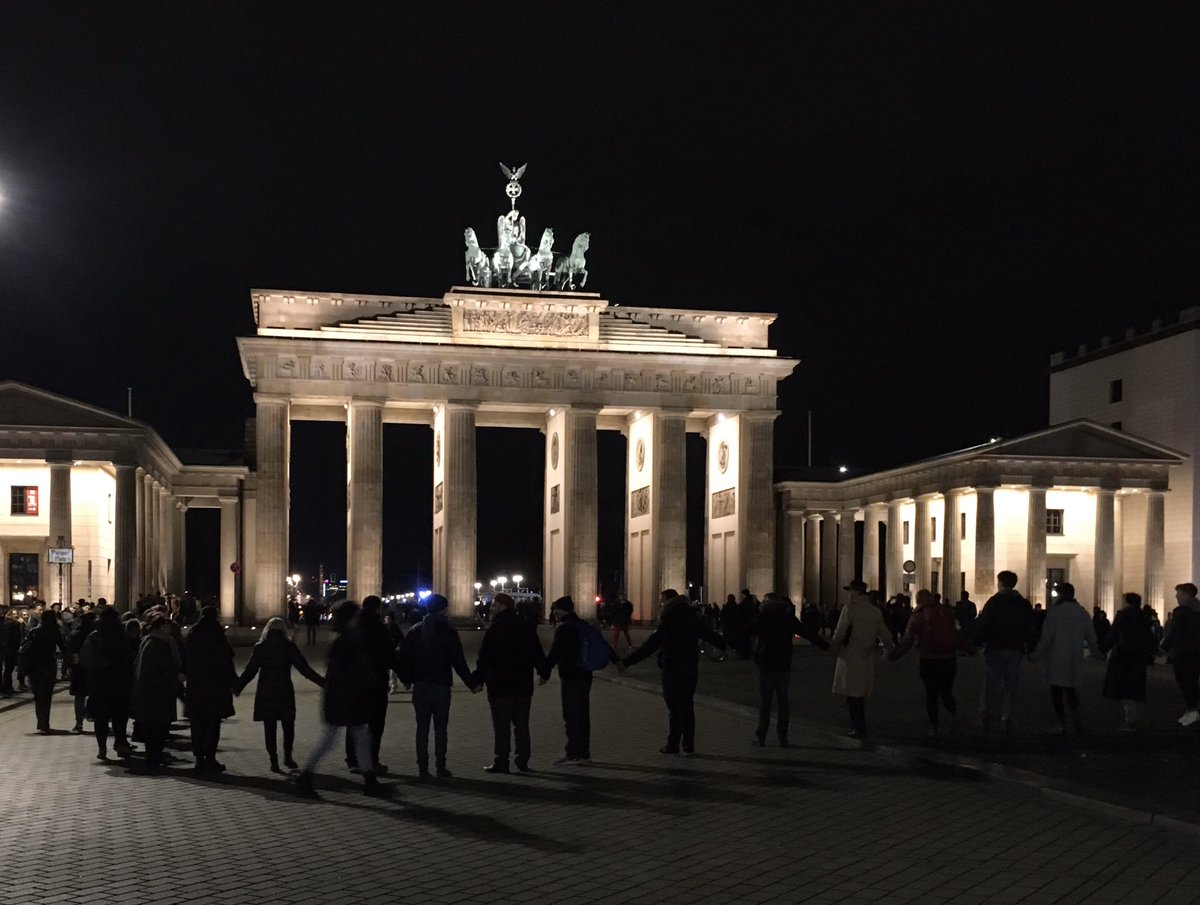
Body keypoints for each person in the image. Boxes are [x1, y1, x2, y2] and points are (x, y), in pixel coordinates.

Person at [296, 600, 385, 796]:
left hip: (340, 697)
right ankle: (307, 775)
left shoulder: (341, 639)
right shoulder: (349, 640)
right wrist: (368, 681)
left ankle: (368, 779)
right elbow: (353, 670)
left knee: (347, 738)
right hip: (348, 698)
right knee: (346, 738)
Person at [623, 594, 726, 756]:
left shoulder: (669, 619)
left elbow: (651, 645)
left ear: (668, 602)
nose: (660, 603)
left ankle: (673, 744)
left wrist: (628, 662)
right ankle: (688, 744)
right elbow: (711, 636)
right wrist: (732, 644)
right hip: (690, 666)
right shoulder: (693, 617)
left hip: (672, 667)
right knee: (687, 705)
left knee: (674, 708)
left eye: (662, 600)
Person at [735, 593, 829, 747]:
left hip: (766, 664)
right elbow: (807, 633)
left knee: (765, 702)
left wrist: (726, 642)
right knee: (783, 702)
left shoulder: (763, 617)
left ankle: (761, 736)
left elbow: (746, 632)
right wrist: (826, 646)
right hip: (784, 663)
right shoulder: (787, 617)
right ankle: (782, 736)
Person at [400, 593, 477, 779]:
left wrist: (406, 679)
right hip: (441, 685)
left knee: (422, 728)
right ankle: (441, 766)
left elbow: (404, 658)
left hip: (421, 685)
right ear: (444, 609)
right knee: (441, 728)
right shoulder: (449, 631)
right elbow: (458, 662)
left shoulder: (415, 630)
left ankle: (423, 768)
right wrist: (472, 684)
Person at [235, 616, 325, 772]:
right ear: (283, 630)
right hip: (284, 690)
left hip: (266, 691)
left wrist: (238, 687)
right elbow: (304, 669)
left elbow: (250, 671)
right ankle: (288, 757)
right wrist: (323, 683)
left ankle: (273, 760)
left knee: (269, 728)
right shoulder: (289, 647)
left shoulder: (260, 647)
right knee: (288, 726)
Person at [539, 596, 621, 765]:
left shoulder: (565, 629)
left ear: (561, 610)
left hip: (571, 676)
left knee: (571, 715)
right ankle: (584, 752)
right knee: (582, 715)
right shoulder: (583, 625)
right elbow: (603, 644)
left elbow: (555, 653)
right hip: (585, 675)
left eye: (555, 609)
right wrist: (617, 661)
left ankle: (573, 754)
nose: (554, 613)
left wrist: (544, 672)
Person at [472, 592, 545, 773]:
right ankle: (523, 760)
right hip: (522, 684)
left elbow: (485, 658)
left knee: (501, 725)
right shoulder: (526, 626)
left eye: (495, 605)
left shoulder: (495, 628)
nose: (491, 608)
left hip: (500, 684)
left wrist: (477, 680)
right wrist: (543, 671)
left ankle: (501, 761)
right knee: (522, 724)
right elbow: (537, 651)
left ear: (504, 607)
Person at [888, 589, 960, 736]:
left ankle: (934, 726)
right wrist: (970, 649)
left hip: (929, 659)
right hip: (948, 658)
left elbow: (908, 641)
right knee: (946, 690)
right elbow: (956, 634)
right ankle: (952, 718)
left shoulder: (917, 616)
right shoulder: (946, 612)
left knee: (931, 693)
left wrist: (894, 655)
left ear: (918, 600)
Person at [1030, 583, 1100, 734]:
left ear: (1061, 594)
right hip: (1074, 657)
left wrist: (1036, 654)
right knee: (1071, 691)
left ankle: (1061, 723)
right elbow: (1091, 636)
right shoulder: (1082, 613)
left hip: (1055, 657)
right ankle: (1077, 721)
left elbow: (1047, 637)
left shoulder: (1055, 613)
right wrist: (1096, 652)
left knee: (1057, 692)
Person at [973, 570, 1035, 733]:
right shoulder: (1023, 603)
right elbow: (1030, 627)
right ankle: (1007, 715)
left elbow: (984, 624)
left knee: (990, 683)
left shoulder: (994, 602)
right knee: (1011, 684)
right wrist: (1030, 647)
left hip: (996, 646)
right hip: (1015, 648)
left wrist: (976, 642)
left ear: (1000, 582)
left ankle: (986, 714)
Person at [830, 580, 892, 737]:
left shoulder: (850, 609)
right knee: (859, 691)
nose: (849, 594)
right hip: (866, 656)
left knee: (851, 692)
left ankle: (857, 726)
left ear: (856, 592)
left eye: (850, 591)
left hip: (850, 655)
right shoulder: (874, 611)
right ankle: (859, 724)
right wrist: (888, 649)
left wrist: (833, 648)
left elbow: (840, 632)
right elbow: (885, 634)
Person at [184, 606, 237, 774]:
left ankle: (199, 760)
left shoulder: (193, 635)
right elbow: (227, 661)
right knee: (213, 725)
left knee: (197, 725)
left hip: (196, 687)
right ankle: (210, 758)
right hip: (216, 687)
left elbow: (186, 661)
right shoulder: (218, 636)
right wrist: (236, 683)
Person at [346, 596, 393, 774]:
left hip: (355, 684)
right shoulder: (380, 629)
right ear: (378, 609)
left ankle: (353, 760)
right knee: (376, 724)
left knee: (354, 723)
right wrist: (405, 674)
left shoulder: (352, 628)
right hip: (377, 683)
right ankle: (373, 759)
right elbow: (388, 655)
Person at [81, 606, 135, 760]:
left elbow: (86, 659)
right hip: (120, 682)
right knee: (120, 716)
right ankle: (120, 743)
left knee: (101, 718)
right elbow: (130, 658)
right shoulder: (121, 636)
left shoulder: (95, 636)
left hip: (100, 683)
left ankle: (102, 748)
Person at [131, 611, 183, 771]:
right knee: (157, 727)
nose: (169, 630)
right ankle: (153, 757)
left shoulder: (147, 642)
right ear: (159, 627)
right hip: (157, 693)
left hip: (149, 692)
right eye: (167, 626)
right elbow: (164, 668)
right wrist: (177, 676)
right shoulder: (157, 645)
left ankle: (153, 756)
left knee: (153, 727)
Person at [1101, 592, 1158, 731]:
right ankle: (1132, 718)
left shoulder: (1123, 614)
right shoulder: (1143, 616)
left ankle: (1130, 720)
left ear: (1127, 602)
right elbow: (1149, 636)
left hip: (1123, 655)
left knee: (1124, 688)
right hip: (1138, 656)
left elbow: (1114, 634)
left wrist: (1102, 650)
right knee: (1134, 687)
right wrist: (1154, 651)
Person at [22, 608, 67, 733]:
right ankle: (45, 722)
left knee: (37, 695)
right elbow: (63, 648)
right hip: (48, 664)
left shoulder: (34, 631)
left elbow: (25, 646)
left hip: (34, 665)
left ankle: (40, 722)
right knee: (46, 695)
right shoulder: (55, 631)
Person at [1161, 582, 1200, 727]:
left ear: (1186, 595)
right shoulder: (1198, 610)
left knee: (1185, 682)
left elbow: (1175, 632)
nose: (1176, 596)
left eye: (1178, 593)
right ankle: (1192, 710)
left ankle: (1192, 711)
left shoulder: (1180, 611)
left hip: (1183, 653)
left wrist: (1163, 648)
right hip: (1196, 652)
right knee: (1192, 682)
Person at [68, 610, 97, 733]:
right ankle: (97, 718)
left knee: (79, 696)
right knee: (95, 695)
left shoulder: (76, 633)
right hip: (93, 668)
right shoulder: (96, 634)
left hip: (79, 667)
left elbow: (70, 650)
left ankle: (79, 723)